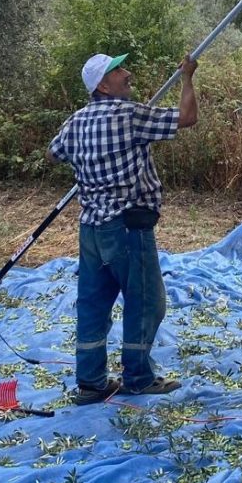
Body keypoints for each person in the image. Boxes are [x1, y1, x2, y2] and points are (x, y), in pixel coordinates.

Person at [47, 52, 198, 404]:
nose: (127, 73)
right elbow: (188, 117)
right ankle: (139, 378)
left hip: (91, 232)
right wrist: (187, 78)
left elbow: (53, 154)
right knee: (146, 302)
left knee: (93, 305)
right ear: (103, 84)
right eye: (118, 71)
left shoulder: (76, 121)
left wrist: (88, 160)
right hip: (128, 229)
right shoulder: (129, 115)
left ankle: (91, 383)